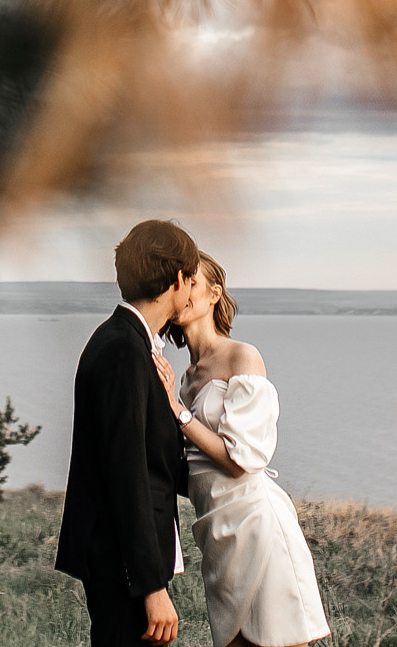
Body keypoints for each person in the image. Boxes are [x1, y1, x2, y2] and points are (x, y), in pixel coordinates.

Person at [160, 254, 330, 647]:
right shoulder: (183, 379)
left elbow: (242, 461)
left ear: (215, 294)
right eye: (175, 285)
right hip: (217, 535)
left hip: (257, 526)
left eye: (193, 284)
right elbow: (198, 471)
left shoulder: (242, 356)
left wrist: (176, 411)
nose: (182, 294)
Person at [57, 219, 199, 647]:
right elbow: (127, 473)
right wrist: (151, 588)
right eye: (191, 280)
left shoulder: (132, 342)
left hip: (121, 561)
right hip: (120, 564)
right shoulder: (122, 349)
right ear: (176, 279)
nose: (193, 292)